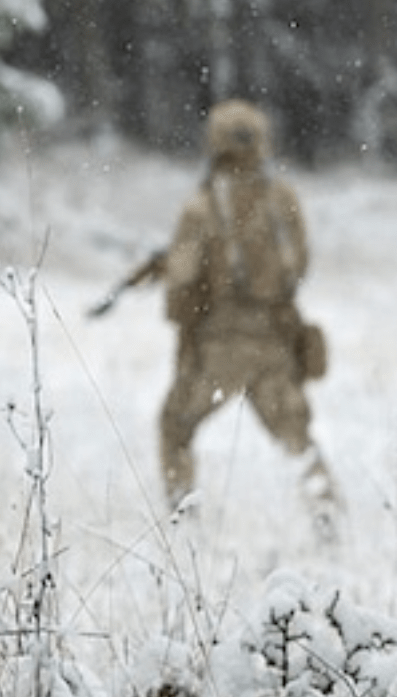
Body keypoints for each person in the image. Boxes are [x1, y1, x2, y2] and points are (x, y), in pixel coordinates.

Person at [157, 98, 337, 530]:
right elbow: (300, 264)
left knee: (175, 427)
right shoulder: (282, 199)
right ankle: (327, 515)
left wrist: (185, 312)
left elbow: (180, 281)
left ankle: (184, 523)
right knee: (296, 437)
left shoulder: (202, 207)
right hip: (275, 340)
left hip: (218, 346)